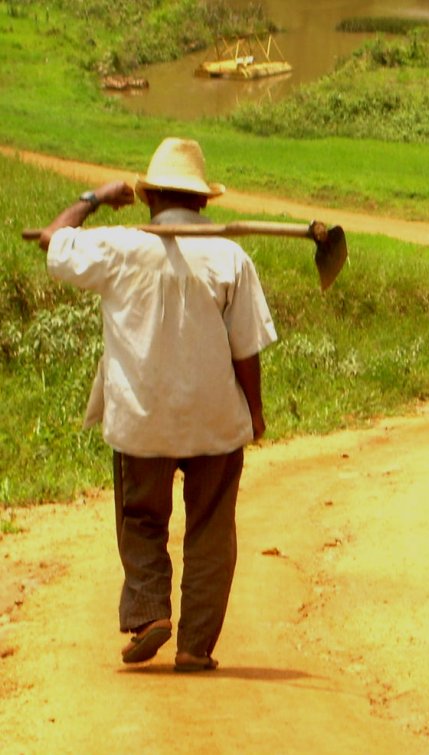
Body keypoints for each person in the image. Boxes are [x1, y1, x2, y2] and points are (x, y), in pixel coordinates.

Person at [37, 137, 277, 672]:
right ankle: (195, 645)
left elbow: (54, 238)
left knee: (141, 517)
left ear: (148, 198)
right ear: (203, 202)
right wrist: (254, 414)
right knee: (211, 525)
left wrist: (96, 197)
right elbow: (246, 350)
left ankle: (149, 616)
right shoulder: (230, 256)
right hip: (214, 418)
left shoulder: (117, 247)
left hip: (141, 418)